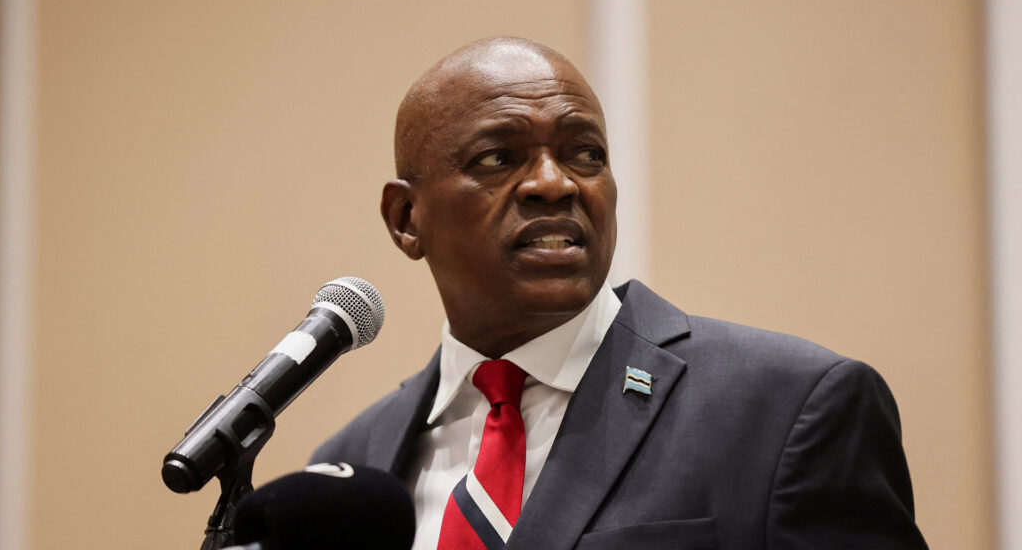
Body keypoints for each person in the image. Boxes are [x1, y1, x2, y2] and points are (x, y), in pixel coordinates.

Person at [312, 37, 928, 550]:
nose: (555, 184)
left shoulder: (789, 410)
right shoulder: (352, 466)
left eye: (586, 154)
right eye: (500, 158)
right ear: (406, 219)